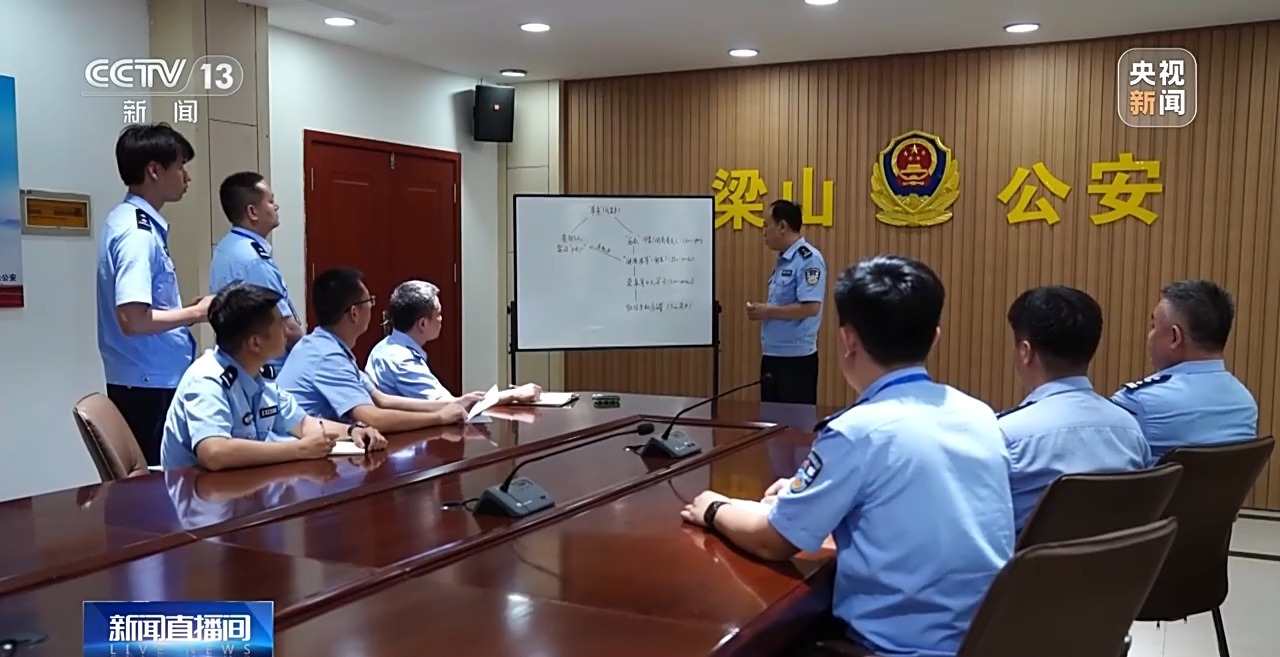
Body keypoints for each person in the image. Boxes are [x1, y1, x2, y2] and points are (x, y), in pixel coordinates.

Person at [681, 254, 1014, 657]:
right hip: (983, 641)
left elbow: (774, 541)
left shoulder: (857, 431)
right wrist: (812, 493)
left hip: (892, 650)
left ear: (847, 341)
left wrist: (715, 508)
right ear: (935, 337)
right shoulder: (979, 414)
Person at [160, 282, 388, 471]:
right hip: (194, 501)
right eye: (280, 325)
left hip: (243, 491)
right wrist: (299, 450)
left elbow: (304, 424)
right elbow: (214, 452)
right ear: (255, 343)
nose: (287, 331)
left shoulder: (261, 378)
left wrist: (352, 431)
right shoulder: (206, 379)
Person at [96, 123, 212, 465]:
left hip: (145, 378)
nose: (186, 176)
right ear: (154, 171)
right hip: (149, 384)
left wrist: (183, 312)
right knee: (161, 483)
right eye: (180, 166)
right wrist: (197, 314)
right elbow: (133, 319)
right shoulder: (137, 233)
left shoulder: (127, 220)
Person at [998, 286, 1149, 534]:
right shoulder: (1130, 430)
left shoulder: (1006, 436)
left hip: (1026, 560)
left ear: (1025, 352)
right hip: (1117, 560)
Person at [277, 268, 469, 433]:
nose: (372, 306)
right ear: (354, 313)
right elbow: (373, 418)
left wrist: (453, 404)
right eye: (369, 300)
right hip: (299, 452)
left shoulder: (323, 345)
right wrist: (439, 418)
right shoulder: (327, 356)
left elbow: (382, 400)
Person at [1111, 279, 1258, 461]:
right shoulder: (1245, 403)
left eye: (1154, 326)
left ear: (1175, 337)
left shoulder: (1137, 402)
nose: (1150, 335)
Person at [365, 280, 542, 405]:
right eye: (438, 314)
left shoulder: (384, 348)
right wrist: (514, 395)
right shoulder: (401, 359)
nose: (442, 319)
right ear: (423, 324)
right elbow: (451, 405)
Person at [209, 171, 304, 370]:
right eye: (270, 201)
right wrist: (313, 355)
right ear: (252, 212)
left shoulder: (225, 247)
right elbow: (287, 328)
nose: (276, 207)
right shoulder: (254, 260)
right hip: (269, 368)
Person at [747, 199, 826, 404]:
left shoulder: (809, 259)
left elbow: (811, 307)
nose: (764, 232)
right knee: (771, 418)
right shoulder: (784, 260)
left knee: (795, 421)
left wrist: (767, 311)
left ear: (782, 226)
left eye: (766, 225)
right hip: (773, 355)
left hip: (795, 361)